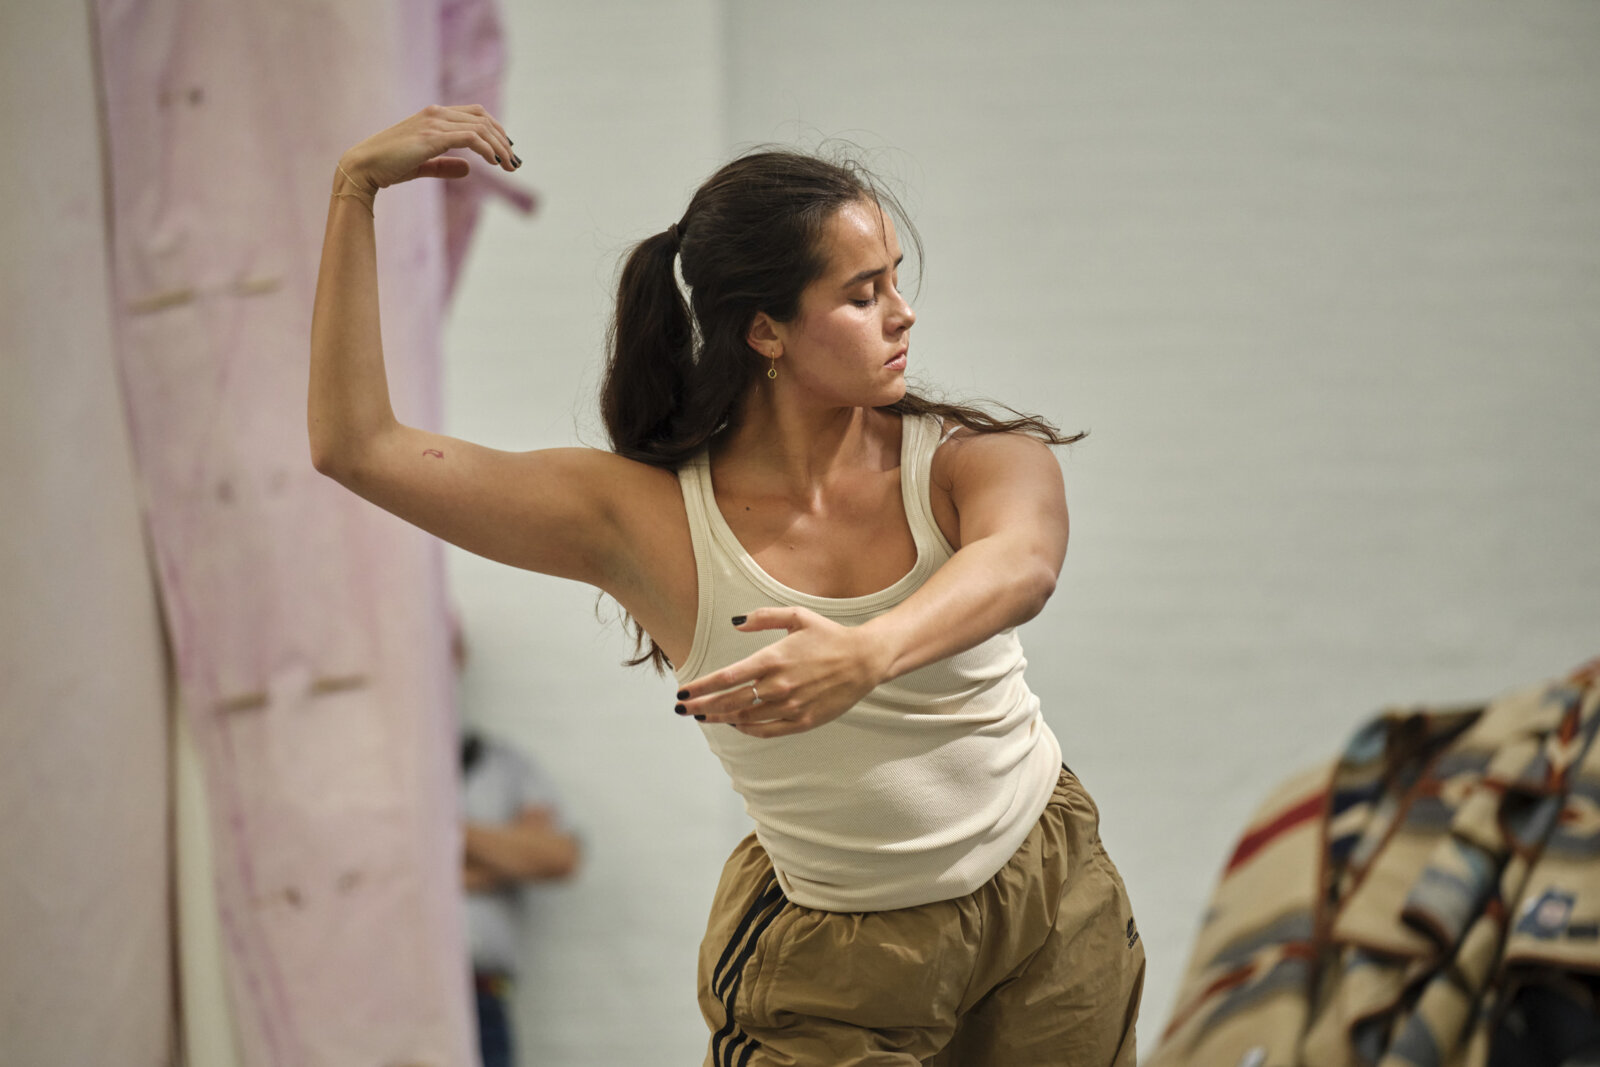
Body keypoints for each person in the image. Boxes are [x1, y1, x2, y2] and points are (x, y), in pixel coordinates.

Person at [312, 104, 1144, 1065]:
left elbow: (1024, 564)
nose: (903, 312)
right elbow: (357, 446)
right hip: (843, 950)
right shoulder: (646, 521)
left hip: (1047, 889)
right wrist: (354, 190)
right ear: (765, 331)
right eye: (863, 293)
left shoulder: (969, 462)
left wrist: (866, 653)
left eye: (896, 283)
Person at [459, 727, 580, 1067]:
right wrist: (506, 854)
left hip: (483, 996)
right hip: (389, 1000)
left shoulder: (500, 762)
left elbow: (556, 856)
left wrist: (438, 828)